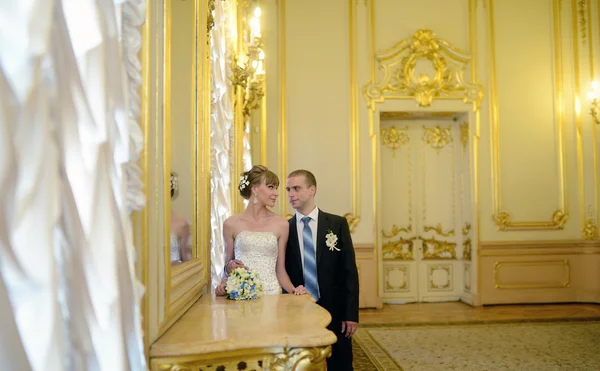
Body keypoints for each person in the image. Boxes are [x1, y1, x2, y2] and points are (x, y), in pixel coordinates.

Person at [285, 169, 359, 371]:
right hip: (299, 309)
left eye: (297, 188)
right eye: (288, 189)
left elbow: (349, 272)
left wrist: (351, 313)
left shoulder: (336, 224)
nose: (291, 194)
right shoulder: (285, 228)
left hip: (334, 307)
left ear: (312, 190)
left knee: (341, 362)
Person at [216, 165, 306, 296]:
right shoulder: (231, 224)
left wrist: (294, 290)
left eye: (276, 188)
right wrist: (223, 285)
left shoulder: (281, 224)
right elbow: (228, 266)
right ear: (254, 189)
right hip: (242, 296)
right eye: (270, 187)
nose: (276, 193)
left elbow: (280, 270)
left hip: (272, 294)